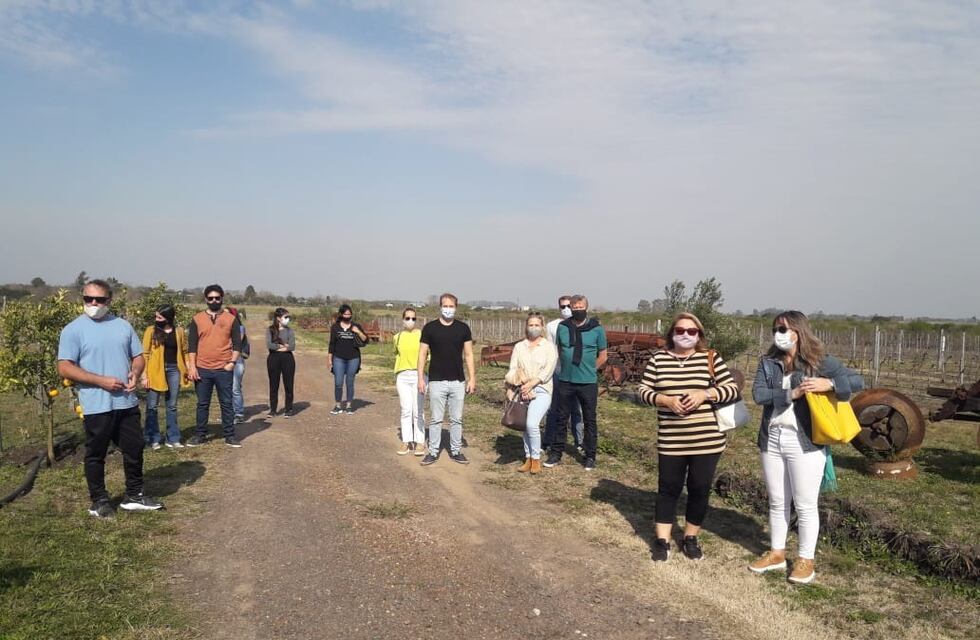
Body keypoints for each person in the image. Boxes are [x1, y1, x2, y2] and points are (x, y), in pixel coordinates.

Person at [749, 310, 861, 585]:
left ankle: (805, 560)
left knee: (805, 503)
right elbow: (759, 395)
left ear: (799, 331)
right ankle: (777, 553)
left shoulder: (819, 361)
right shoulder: (768, 363)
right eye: (776, 329)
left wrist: (829, 383)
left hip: (805, 442)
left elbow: (857, 381)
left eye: (784, 329)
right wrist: (792, 393)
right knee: (777, 500)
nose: (778, 334)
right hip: (772, 438)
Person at [637, 312, 740, 561]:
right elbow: (642, 390)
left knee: (699, 489)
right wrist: (665, 400)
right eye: (680, 330)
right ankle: (662, 541)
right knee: (668, 488)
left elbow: (732, 389)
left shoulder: (710, 357)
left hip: (707, 441)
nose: (685, 335)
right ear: (672, 333)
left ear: (699, 335)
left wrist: (705, 394)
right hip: (671, 439)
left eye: (691, 331)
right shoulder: (658, 360)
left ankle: (690, 537)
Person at [57, 279, 164, 518]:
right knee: (96, 453)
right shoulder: (73, 330)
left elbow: (138, 356)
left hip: (126, 400)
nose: (94, 304)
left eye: (99, 299)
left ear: (109, 300)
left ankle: (134, 495)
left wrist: (135, 372)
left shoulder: (123, 326)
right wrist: (100, 381)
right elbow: (64, 367)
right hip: (96, 404)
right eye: (88, 299)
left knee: (134, 448)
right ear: (83, 299)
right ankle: (99, 501)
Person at [543, 294, 607, 471]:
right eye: (575, 307)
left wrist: (590, 369)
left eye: (581, 307)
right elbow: (560, 350)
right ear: (571, 308)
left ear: (586, 308)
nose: (578, 310)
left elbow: (603, 355)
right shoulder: (563, 327)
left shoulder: (596, 329)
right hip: (566, 380)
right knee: (561, 417)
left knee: (589, 419)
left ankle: (590, 455)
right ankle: (556, 453)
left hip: (587, 382)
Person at [417, 293, 476, 466]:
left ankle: (456, 451)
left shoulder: (463, 329)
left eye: (451, 306)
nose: (448, 309)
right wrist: (420, 378)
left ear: (456, 308)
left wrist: (472, 378)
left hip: (458, 381)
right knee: (436, 419)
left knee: (456, 418)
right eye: (445, 306)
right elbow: (422, 354)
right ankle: (433, 452)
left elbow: (469, 354)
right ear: (440, 307)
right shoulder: (430, 328)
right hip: (436, 380)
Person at [186, 284, 244, 448]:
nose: (214, 301)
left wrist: (232, 363)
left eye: (217, 298)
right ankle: (200, 435)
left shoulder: (230, 319)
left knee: (226, 403)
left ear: (222, 298)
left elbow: (237, 344)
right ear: (206, 299)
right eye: (210, 298)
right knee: (202, 404)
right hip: (202, 368)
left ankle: (229, 435)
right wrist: (192, 367)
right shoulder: (197, 319)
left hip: (223, 368)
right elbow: (192, 346)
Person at [505, 313, 558, 474]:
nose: (534, 328)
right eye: (531, 325)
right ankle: (528, 457)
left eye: (537, 325)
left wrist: (531, 384)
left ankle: (536, 458)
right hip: (522, 389)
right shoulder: (519, 347)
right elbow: (513, 368)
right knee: (524, 424)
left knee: (532, 423)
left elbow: (548, 371)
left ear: (542, 327)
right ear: (526, 327)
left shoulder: (548, 347)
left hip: (541, 389)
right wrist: (522, 384)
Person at [141, 304, 190, 450]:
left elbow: (185, 351)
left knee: (172, 406)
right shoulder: (151, 331)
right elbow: (145, 354)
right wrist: (144, 375)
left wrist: (188, 368)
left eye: (160, 317)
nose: (157, 319)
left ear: (169, 318)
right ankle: (152, 437)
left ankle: (173, 438)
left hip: (174, 370)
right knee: (152, 406)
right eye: (156, 316)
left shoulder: (179, 332)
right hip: (155, 371)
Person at [543, 295, 584, 453]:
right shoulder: (552, 326)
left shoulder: (581, 324)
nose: (566, 309)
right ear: (559, 308)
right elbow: (549, 349)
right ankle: (549, 440)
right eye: (563, 306)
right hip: (558, 371)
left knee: (576, 409)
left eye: (569, 306)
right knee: (554, 408)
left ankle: (579, 442)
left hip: (576, 372)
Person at [392, 307, 426, 456]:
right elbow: (396, 353)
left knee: (418, 410)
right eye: (407, 318)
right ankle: (406, 441)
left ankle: (420, 442)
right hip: (402, 376)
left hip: (419, 375)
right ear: (403, 320)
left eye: (413, 318)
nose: (410, 321)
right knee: (406, 410)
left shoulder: (422, 335)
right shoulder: (397, 337)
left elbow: (428, 354)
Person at [328, 304, 368, 415]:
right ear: (341, 314)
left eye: (349, 314)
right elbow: (332, 344)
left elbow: (365, 340)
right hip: (338, 358)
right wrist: (329, 358)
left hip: (353, 358)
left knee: (350, 382)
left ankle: (349, 405)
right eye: (345, 314)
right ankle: (338, 405)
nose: (347, 316)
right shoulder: (335, 327)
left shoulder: (356, 326)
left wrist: (358, 331)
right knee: (338, 382)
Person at [266, 307, 296, 418]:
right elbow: (270, 345)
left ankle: (289, 409)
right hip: (273, 359)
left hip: (287, 359)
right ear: (278, 318)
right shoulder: (270, 330)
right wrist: (283, 346)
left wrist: (280, 347)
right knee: (274, 385)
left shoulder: (290, 331)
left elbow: (292, 346)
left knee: (288, 385)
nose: (288, 319)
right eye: (285, 317)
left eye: (288, 317)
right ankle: (273, 410)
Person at [229, 308, 250, 424]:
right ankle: (229, 413)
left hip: (237, 360)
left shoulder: (240, 328)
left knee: (235, 387)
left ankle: (239, 413)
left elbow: (236, 341)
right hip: (224, 360)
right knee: (226, 388)